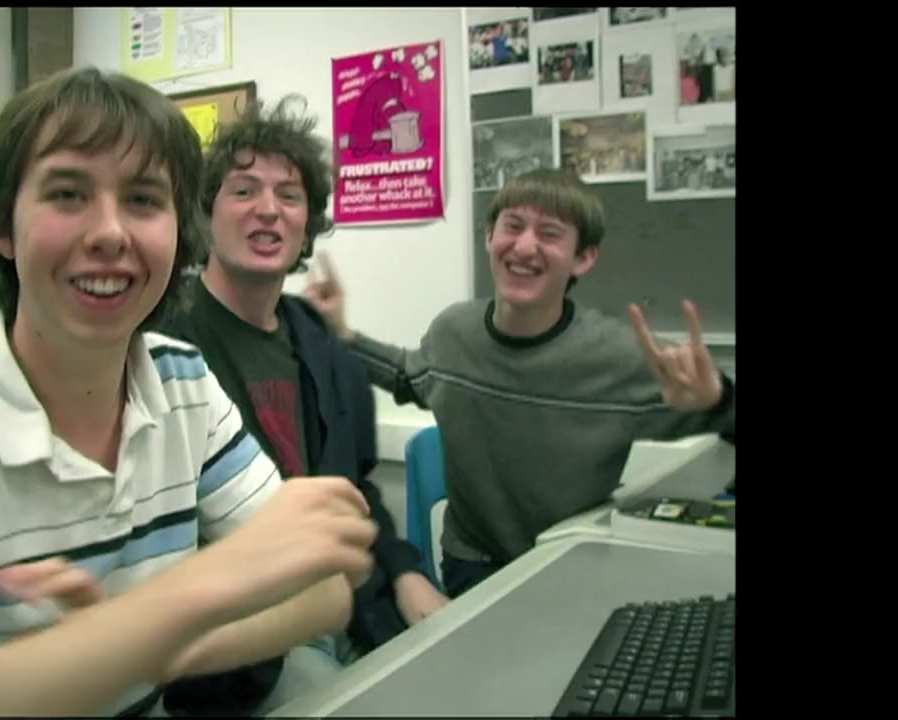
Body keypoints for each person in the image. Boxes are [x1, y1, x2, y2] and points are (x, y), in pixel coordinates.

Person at [0, 67, 380, 718]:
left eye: (144, 200)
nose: (111, 233)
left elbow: (324, 592)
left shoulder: (184, 383)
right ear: (3, 226)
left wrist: (127, 640)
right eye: (67, 193)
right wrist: (184, 598)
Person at [303, 168, 736, 599]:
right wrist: (342, 335)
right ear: (489, 237)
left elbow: (723, 414)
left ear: (583, 258)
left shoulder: (619, 357)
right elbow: (407, 376)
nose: (525, 246)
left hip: (573, 562)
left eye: (549, 234)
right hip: (474, 566)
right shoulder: (454, 332)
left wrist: (717, 400)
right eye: (512, 226)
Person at [155, 96, 447, 714]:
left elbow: (355, 489)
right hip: (248, 646)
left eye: (289, 196)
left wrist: (405, 573)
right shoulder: (164, 342)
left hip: (355, 605)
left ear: (306, 224)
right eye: (244, 191)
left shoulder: (317, 338)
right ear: (205, 214)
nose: (268, 209)